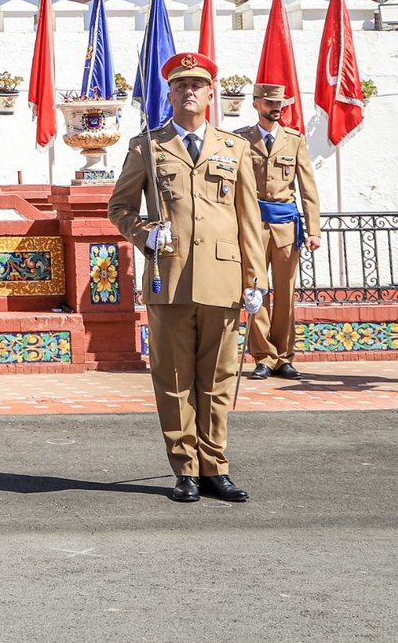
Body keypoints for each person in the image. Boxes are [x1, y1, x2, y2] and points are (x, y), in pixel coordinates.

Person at [108, 52, 266, 505]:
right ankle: (186, 469)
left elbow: (248, 219)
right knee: (174, 380)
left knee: (217, 378)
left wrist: (256, 278)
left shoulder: (234, 149)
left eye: (197, 84)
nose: (189, 91)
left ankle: (216, 467)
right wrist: (144, 234)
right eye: (180, 86)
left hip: (223, 276)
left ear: (211, 93)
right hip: (170, 276)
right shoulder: (147, 147)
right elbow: (119, 208)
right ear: (170, 94)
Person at [235, 84, 320, 380]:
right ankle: (263, 356)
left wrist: (314, 230)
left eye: (279, 103)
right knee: (255, 290)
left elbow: (308, 188)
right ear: (256, 103)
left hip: (285, 225)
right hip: (253, 225)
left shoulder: (294, 140)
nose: (276, 107)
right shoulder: (241, 140)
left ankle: (284, 356)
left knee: (285, 293)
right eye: (269, 102)